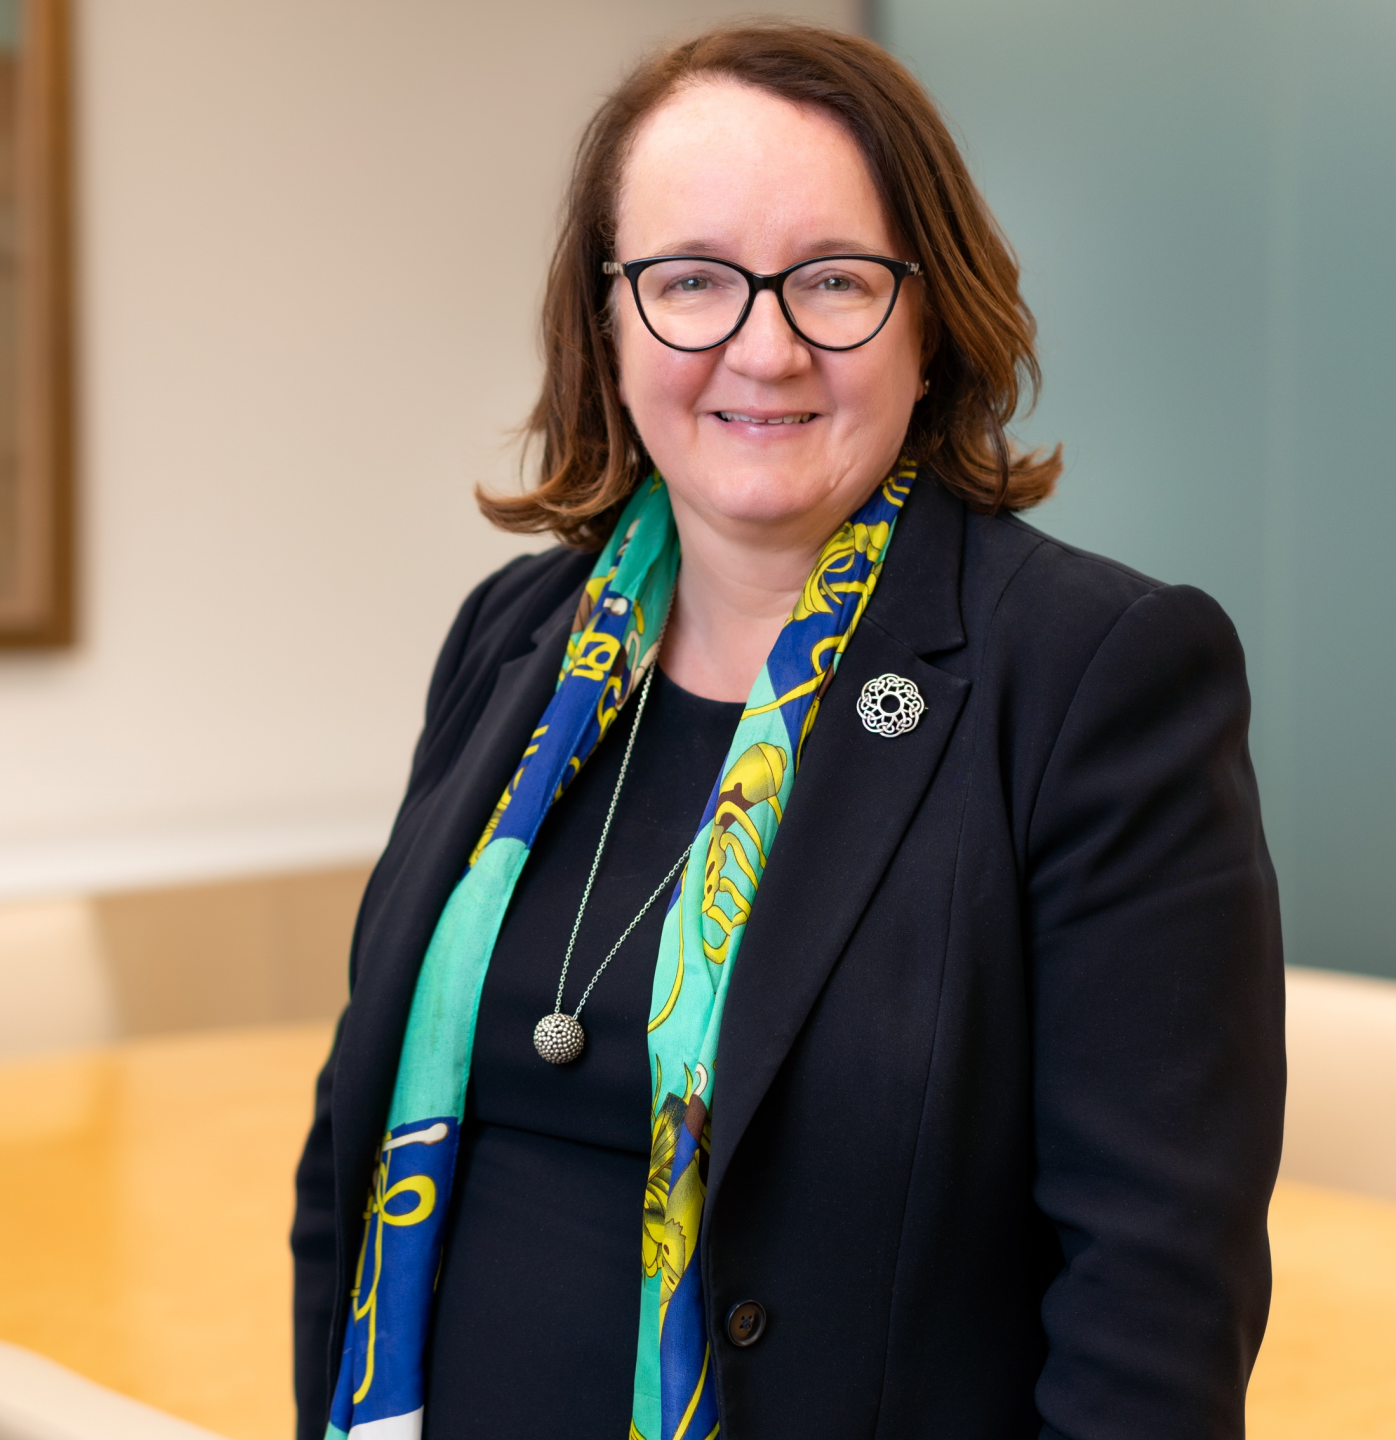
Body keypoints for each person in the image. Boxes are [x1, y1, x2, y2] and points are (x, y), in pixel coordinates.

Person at [292, 23, 1283, 1440]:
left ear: (929, 320)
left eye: (832, 280)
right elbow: (348, 1148)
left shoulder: (1094, 678)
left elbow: (1156, 1296)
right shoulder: (510, 642)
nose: (763, 346)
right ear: (611, 320)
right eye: (691, 280)